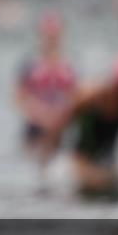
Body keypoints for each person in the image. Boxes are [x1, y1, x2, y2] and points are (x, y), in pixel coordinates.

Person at [48, 54, 118, 199]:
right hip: (82, 152)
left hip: (108, 154)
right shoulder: (93, 96)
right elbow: (65, 116)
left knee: (113, 180)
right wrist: (54, 141)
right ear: (115, 83)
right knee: (91, 182)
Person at [14, 12, 76, 168]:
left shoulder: (69, 66)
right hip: (35, 125)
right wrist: (40, 114)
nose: (51, 38)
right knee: (32, 163)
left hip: (60, 125)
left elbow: (76, 96)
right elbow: (18, 97)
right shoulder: (30, 64)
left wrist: (60, 116)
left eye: (54, 34)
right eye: (48, 34)